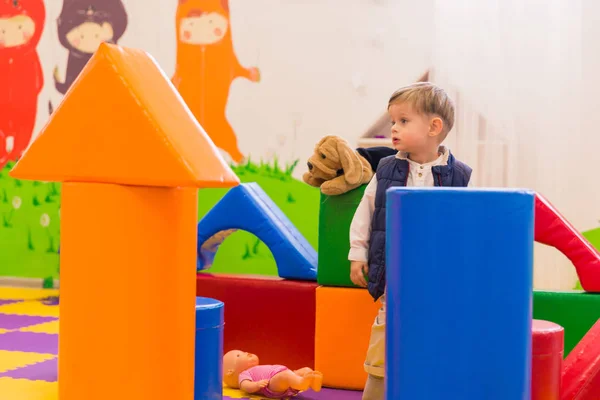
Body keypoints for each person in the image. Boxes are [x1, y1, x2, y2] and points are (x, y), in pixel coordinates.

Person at [348, 82, 473, 400]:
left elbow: (469, 223)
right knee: (385, 337)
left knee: (435, 336)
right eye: (393, 121)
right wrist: (358, 252)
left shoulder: (459, 175)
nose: (394, 128)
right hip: (396, 272)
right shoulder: (387, 169)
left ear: (434, 127)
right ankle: (377, 390)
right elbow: (367, 210)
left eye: (404, 121)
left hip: (437, 275)